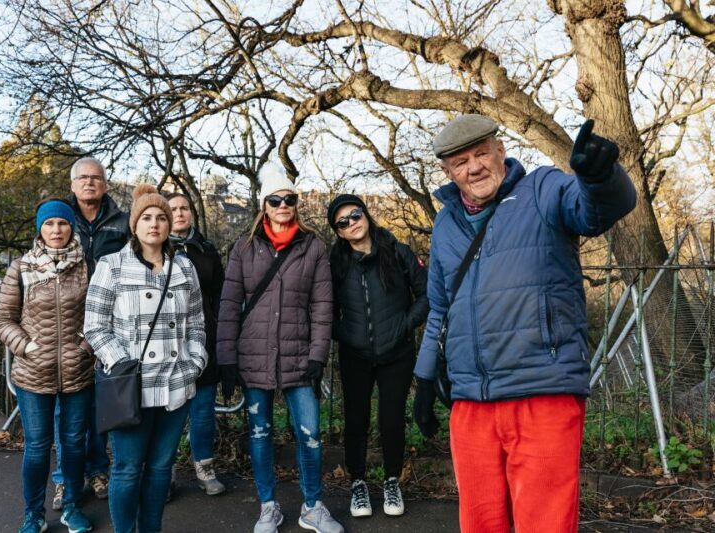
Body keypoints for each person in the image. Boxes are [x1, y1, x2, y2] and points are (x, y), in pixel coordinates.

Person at [412, 115, 636, 532]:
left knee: (544, 523)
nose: (474, 167)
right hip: (471, 402)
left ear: (500, 151)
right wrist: (425, 379)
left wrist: (601, 176)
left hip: (542, 391)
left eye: (482, 153)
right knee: (480, 522)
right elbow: (439, 307)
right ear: (447, 172)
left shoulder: (543, 189)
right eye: (460, 162)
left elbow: (598, 210)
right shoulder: (445, 223)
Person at [217, 163, 343, 533]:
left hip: (300, 356)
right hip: (253, 355)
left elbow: (323, 307)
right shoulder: (244, 247)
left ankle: (313, 505)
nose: (284, 205)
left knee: (310, 434)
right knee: (259, 433)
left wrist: (318, 354)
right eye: (276, 199)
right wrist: (227, 359)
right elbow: (228, 304)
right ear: (264, 205)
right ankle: (268, 506)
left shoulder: (313, 246)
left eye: (290, 198)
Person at [84, 184, 207, 533]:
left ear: (169, 225)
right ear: (134, 225)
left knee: (159, 469)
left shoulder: (184, 268)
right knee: (126, 468)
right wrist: (121, 364)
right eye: (147, 217)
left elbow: (197, 322)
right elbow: (94, 325)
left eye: (161, 218)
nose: (154, 223)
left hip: (175, 384)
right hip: (131, 387)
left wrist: (194, 360)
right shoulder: (112, 265)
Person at [0, 198, 94, 533]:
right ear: (40, 228)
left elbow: (100, 316)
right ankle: (33, 513)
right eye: (49, 224)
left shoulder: (86, 266)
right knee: (37, 448)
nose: (56, 230)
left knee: (74, 444)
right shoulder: (21, 267)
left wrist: (86, 347)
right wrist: (29, 346)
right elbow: (3, 320)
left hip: (78, 372)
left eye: (62, 223)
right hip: (33, 375)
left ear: (71, 227)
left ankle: (71, 507)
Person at [326, 194, 428, 518]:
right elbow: (323, 308)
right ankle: (358, 483)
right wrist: (344, 333)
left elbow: (426, 295)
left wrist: (403, 326)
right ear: (339, 232)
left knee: (392, 420)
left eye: (355, 215)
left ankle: (391, 480)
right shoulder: (336, 263)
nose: (351, 223)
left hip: (396, 352)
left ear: (366, 215)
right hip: (355, 354)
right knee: (355, 420)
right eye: (343, 222)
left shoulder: (397, 251)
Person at [52, 156, 130, 510]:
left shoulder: (122, 222)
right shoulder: (58, 219)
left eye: (96, 178)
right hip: (65, 325)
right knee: (64, 407)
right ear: (72, 184)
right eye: (82, 178)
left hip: (107, 325)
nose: (89, 183)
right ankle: (63, 479)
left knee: (100, 402)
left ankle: (99, 469)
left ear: (106, 184)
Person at [166, 192, 226, 496]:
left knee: (202, 412)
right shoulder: (153, 249)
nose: (179, 213)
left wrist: (217, 330)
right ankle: (166, 471)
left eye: (184, 208)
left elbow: (220, 294)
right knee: (169, 412)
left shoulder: (206, 250)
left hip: (203, 340)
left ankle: (204, 467)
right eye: (173, 209)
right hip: (165, 343)